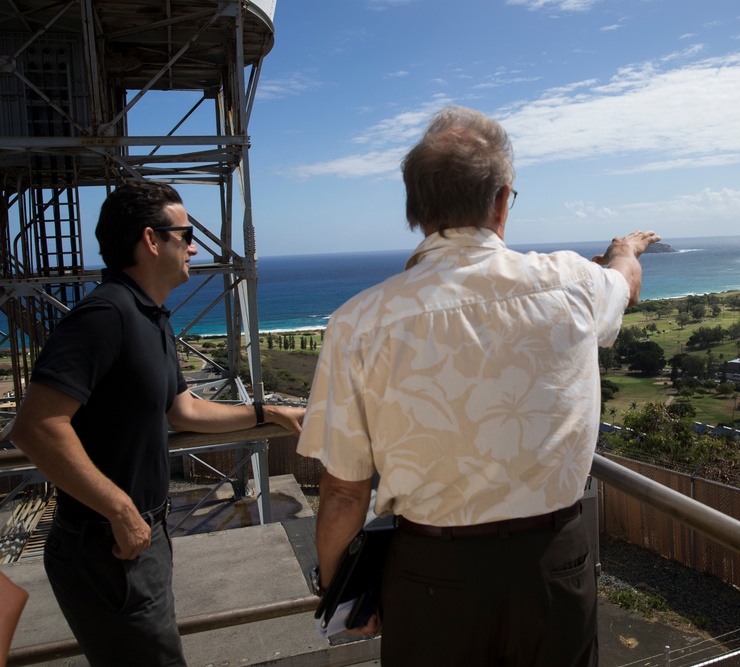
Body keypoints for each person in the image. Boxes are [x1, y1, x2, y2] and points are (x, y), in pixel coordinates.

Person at [298, 106, 660, 666]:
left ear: (416, 210)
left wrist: (338, 587)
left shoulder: (359, 322)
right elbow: (624, 284)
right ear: (501, 201)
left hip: (429, 576)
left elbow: (344, 490)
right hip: (553, 561)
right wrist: (625, 250)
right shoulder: (573, 283)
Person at [9, 181, 305, 666]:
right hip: (107, 546)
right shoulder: (105, 315)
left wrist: (268, 412)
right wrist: (121, 510)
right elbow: (36, 426)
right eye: (185, 234)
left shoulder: (149, 317)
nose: (193, 246)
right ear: (151, 240)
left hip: (139, 539)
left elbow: (184, 410)